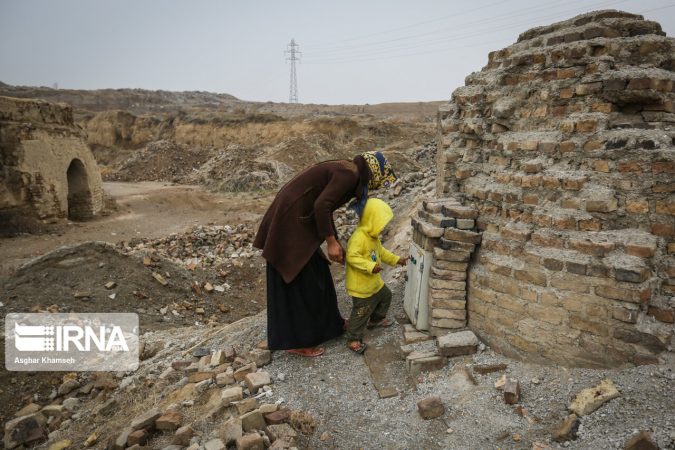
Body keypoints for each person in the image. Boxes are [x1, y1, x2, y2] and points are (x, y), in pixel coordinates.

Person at [253, 151, 397, 357]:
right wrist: (331, 241)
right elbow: (322, 205)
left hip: (299, 221)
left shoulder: (350, 170)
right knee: (300, 281)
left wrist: (334, 241)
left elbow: (324, 207)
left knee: (318, 274)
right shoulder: (350, 175)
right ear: (373, 176)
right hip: (289, 223)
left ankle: (332, 325)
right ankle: (297, 341)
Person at [344, 198, 407, 354]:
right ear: (371, 220)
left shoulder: (373, 238)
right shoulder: (359, 238)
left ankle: (376, 320)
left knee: (386, 296)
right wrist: (370, 266)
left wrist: (397, 260)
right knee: (361, 312)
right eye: (380, 224)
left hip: (373, 282)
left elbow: (382, 253)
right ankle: (353, 338)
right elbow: (352, 257)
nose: (382, 228)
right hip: (361, 286)